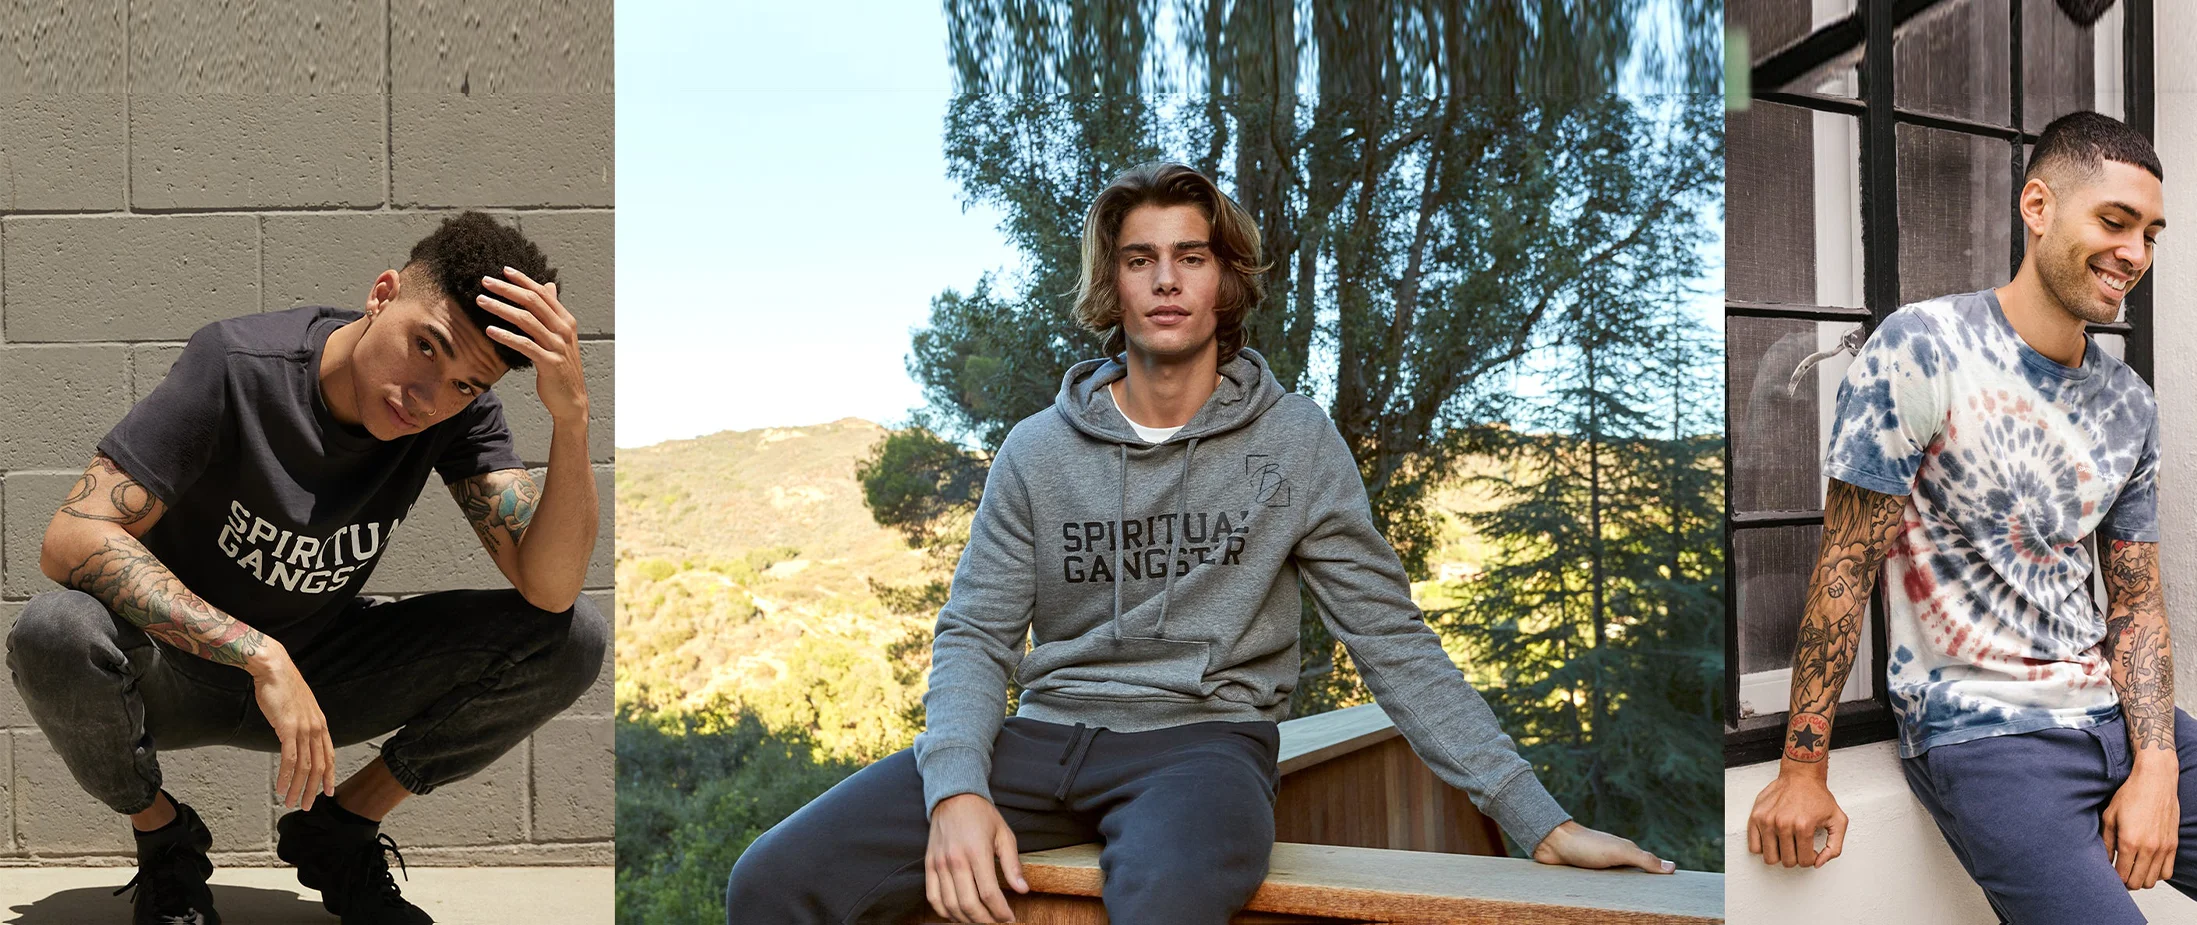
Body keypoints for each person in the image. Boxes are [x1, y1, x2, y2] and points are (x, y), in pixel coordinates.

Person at [724, 162, 1670, 925]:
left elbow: (1389, 638)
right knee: (770, 880)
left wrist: (1536, 819)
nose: (1166, 279)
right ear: (1113, 285)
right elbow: (973, 636)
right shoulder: (1037, 450)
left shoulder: (1293, 442)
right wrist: (958, 789)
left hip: (1201, 747)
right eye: (1139, 259)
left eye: (1190, 255)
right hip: (1039, 739)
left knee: (1165, 897)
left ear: (1226, 281)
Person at [6, 212, 607, 925]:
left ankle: (340, 833)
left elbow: (550, 587)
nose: (428, 396)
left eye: (463, 384)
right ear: (382, 295)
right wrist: (259, 654)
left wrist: (572, 416)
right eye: (425, 347)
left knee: (571, 636)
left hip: (323, 676)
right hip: (171, 667)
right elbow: (70, 536)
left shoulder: (455, 417)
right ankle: (164, 836)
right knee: (53, 630)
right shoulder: (238, 365)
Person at [1744, 111, 2186, 923]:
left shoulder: (2127, 402)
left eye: (2149, 234)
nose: (2134, 252)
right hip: (1987, 737)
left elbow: (2134, 600)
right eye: (2114, 221)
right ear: (2037, 206)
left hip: (2113, 713)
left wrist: (2156, 762)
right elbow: (1844, 562)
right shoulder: (1923, 347)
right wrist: (1802, 767)